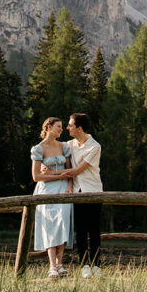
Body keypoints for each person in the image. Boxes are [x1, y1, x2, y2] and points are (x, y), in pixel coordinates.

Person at [30, 117, 73, 278]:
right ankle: (52, 265)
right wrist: (57, 175)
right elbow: (36, 176)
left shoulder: (64, 146)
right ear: (49, 127)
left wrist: (69, 186)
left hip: (63, 190)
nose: (61, 129)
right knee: (49, 226)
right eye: (59, 127)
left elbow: (70, 171)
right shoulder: (38, 149)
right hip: (45, 190)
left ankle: (60, 263)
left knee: (62, 222)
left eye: (62, 127)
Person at [64, 113, 103, 278]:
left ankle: (97, 266)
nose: (68, 128)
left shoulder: (95, 146)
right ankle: (84, 265)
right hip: (77, 193)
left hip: (93, 191)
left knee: (94, 230)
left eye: (70, 125)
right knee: (80, 231)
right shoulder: (69, 145)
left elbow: (77, 170)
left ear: (79, 128)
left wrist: (51, 173)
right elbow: (51, 149)